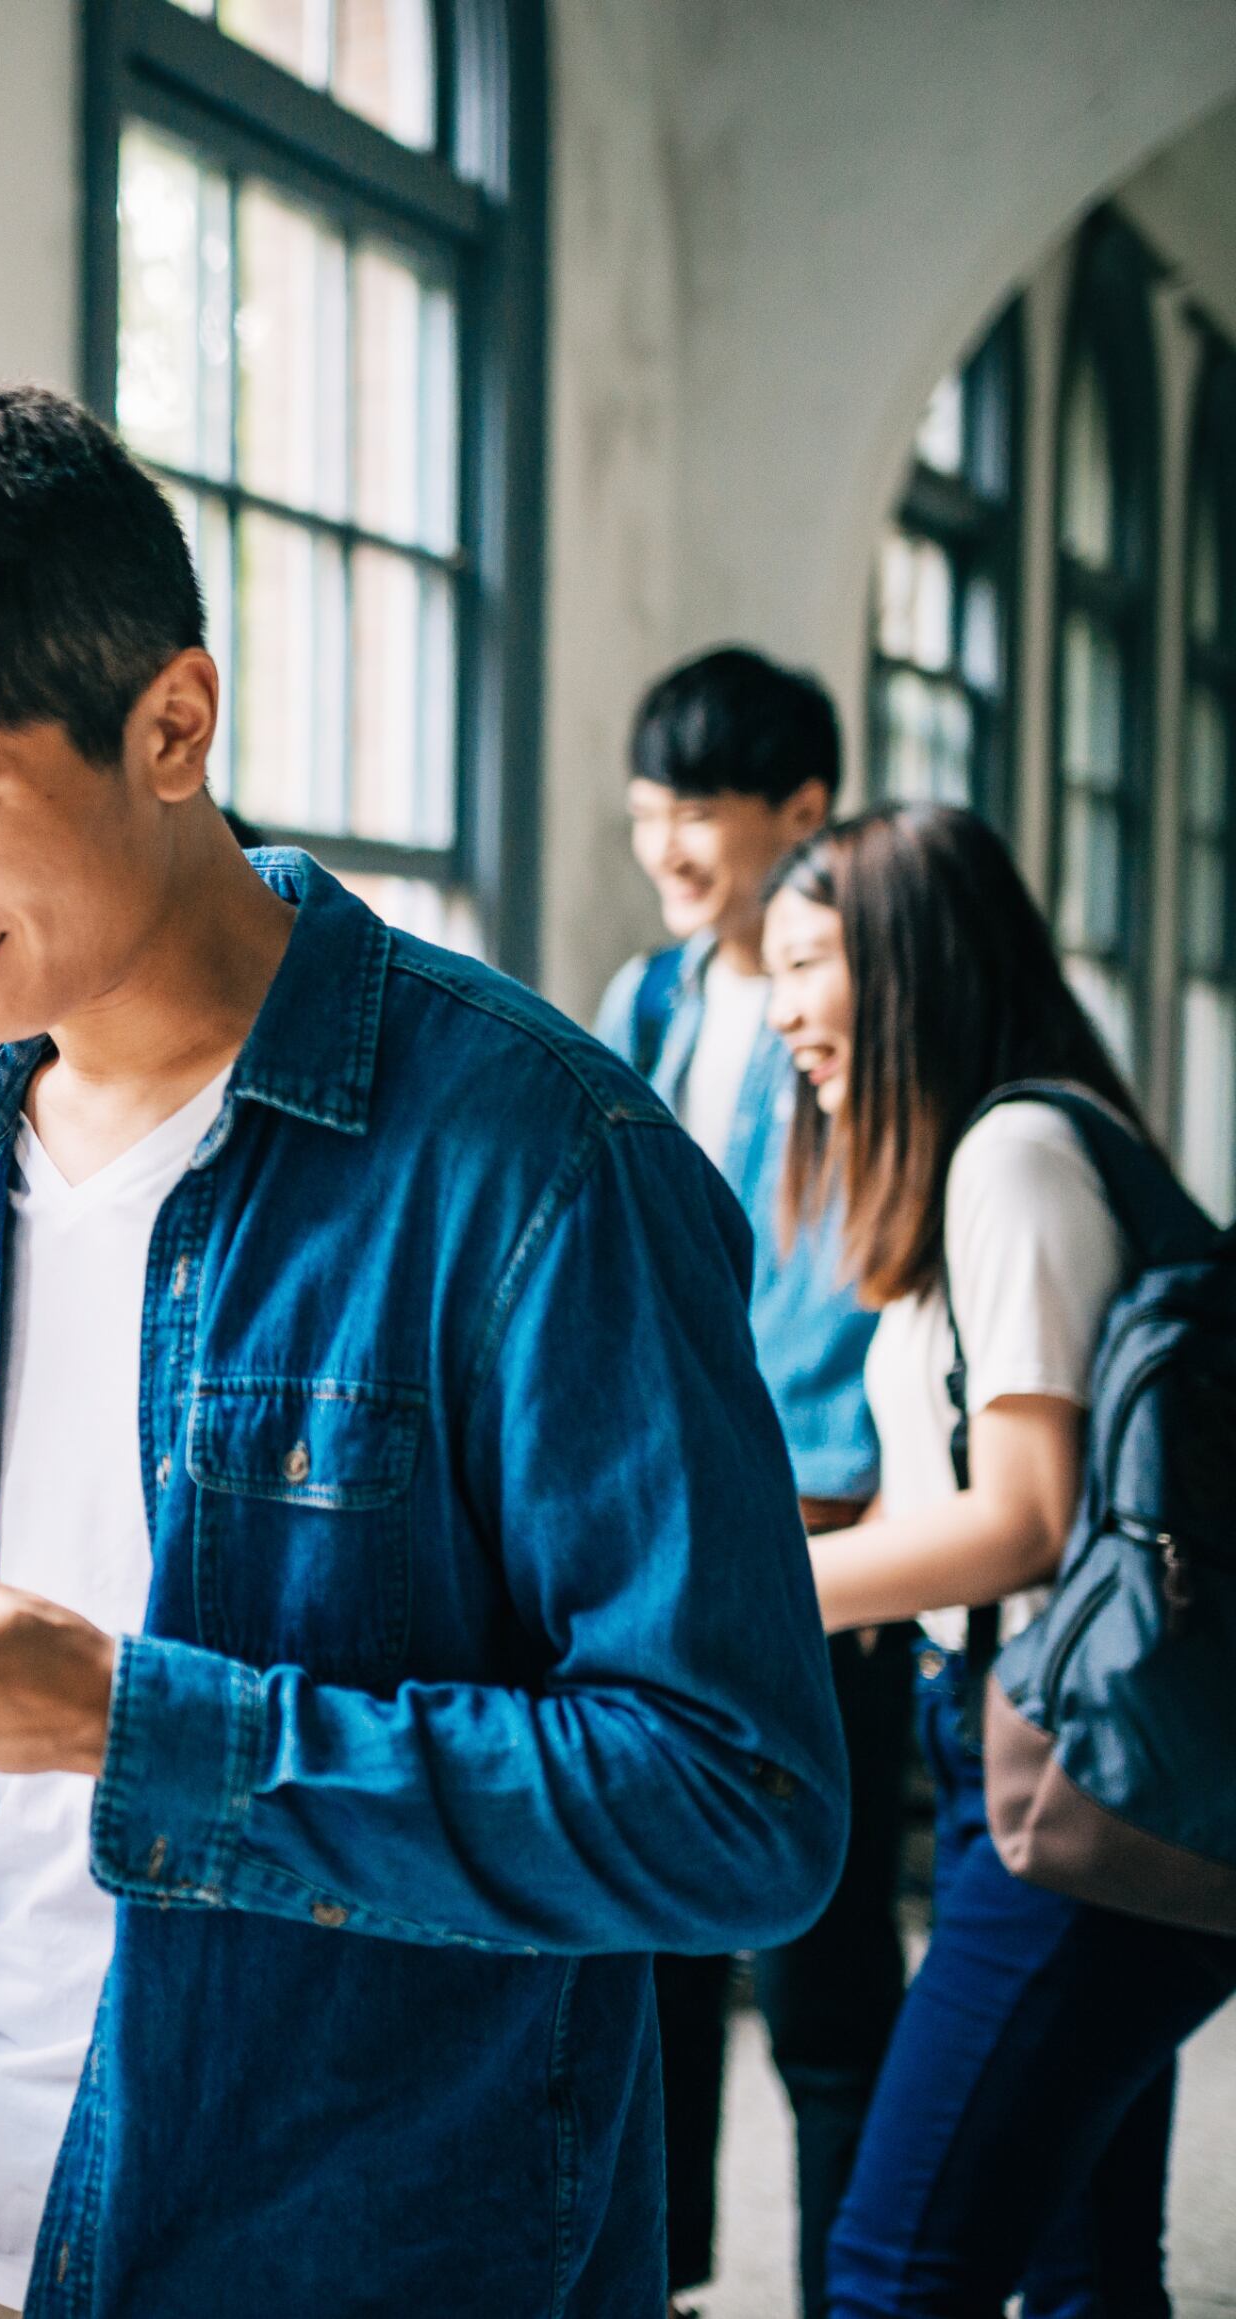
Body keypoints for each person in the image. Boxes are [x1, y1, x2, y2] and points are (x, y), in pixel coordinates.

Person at [0, 381, 847, 2319]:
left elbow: (735, 1808)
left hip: (338, 2245)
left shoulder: (544, 1163)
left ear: (173, 721)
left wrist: (136, 1720)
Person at [759, 805, 1236, 2317]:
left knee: (897, 2269)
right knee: (1083, 2268)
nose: (782, 1013)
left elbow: (1024, 1518)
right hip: (1053, 1759)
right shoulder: (1023, 1147)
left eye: (807, 963)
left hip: (1074, 1779)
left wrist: (753, 1592)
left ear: (907, 965)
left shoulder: (1013, 1157)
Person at [594, 647, 908, 2318]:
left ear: (802, 812)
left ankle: (856, 2286)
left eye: (696, 812)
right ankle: (675, 2282)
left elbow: (849, 1284)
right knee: (647, 1957)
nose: (667, 846)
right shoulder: (646, 1003)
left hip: (814, 1534)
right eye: (648, 812)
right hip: (657, 1525)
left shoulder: (851, 1009)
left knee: (818, 1970)